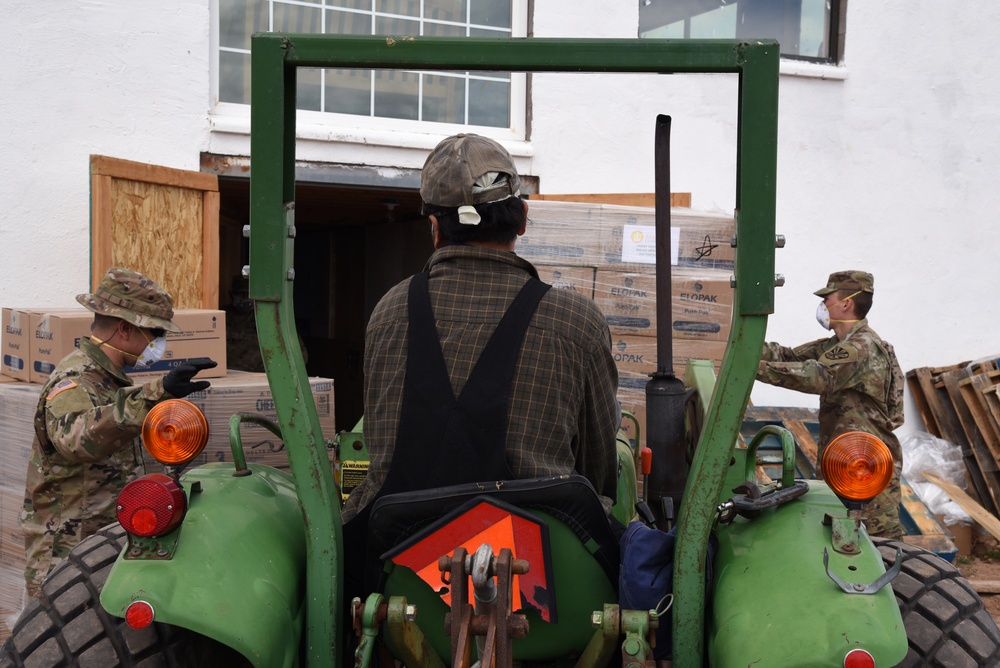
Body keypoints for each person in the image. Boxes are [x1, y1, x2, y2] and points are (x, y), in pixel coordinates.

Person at [341, 133, 620, 528]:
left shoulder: (389, 312)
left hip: (397, 558)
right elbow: (599, 471)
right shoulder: (576, 322)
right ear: (522, 218)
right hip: (542, 564)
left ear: (435, 228)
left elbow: (380, 440)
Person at [22, 268, 217, 595]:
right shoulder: (75, 379)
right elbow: (76, 439)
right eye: (154, 332)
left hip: (100, 544)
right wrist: (157, 392)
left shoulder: (109, 380)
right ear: (125, 329)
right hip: (66, 552)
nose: (158, 343)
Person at [755, 270, 904, 538]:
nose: (823, 305)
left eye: (828, 298)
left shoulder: (860, 347)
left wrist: (755, 368)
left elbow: (818, 376)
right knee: (842, 542)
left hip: (865, 469)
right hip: (846, 465)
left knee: (879, 547)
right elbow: (788, 355)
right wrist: (743, 344)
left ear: (846, 303)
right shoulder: (837, 345)